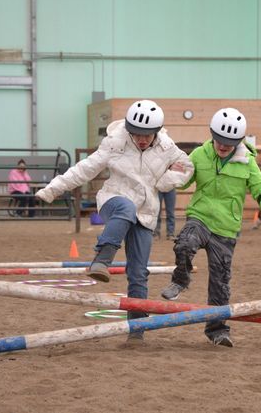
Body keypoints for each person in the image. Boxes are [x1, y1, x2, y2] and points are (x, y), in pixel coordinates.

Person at [35, 99, 193, 340]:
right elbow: (85, 168)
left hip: (146, 214)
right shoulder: (115, 143)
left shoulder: (168, 148)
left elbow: (187, 168)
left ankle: (137, 329)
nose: (141, 139)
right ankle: (101, 259)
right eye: (136, 134)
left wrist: (164, 182)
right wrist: (53, 188)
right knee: (126, 208)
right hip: (113, 200)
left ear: (157, 133)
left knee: (139, 272)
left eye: (147, 135)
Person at [160, 107, 261, 347]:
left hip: (226, 229)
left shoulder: (247, 161)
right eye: (219, 141)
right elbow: (184, 182)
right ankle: (180, 279)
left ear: (239, 141)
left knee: (220, 282)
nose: (223, 146)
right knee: (184, 243)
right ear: (212, 135)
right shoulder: (199, 154)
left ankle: (218, 331)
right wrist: (172, 174)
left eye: (229, 143)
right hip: (200, 217)